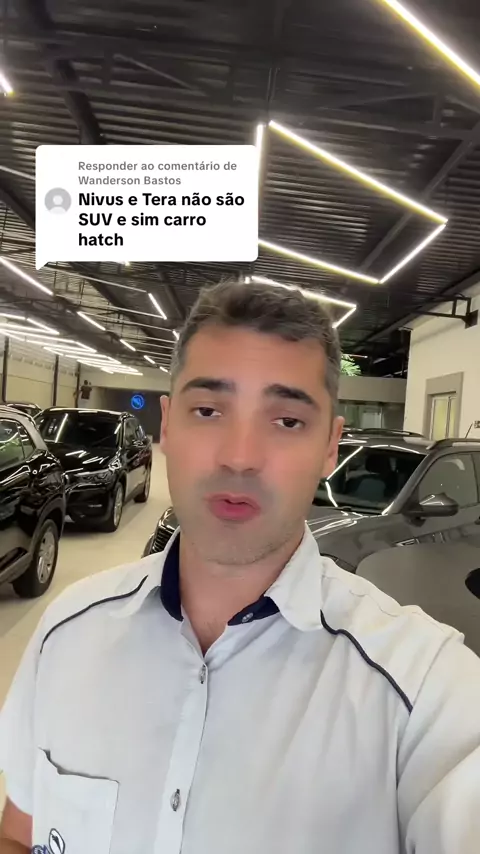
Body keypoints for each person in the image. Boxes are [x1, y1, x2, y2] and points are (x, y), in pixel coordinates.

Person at [0, 279, 479, 854]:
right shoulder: (67, 631)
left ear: (330, 446)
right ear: (168, 425)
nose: (240, 456)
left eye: (287, 421)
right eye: (208, 410)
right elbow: (18, 832)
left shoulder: (424, 693)